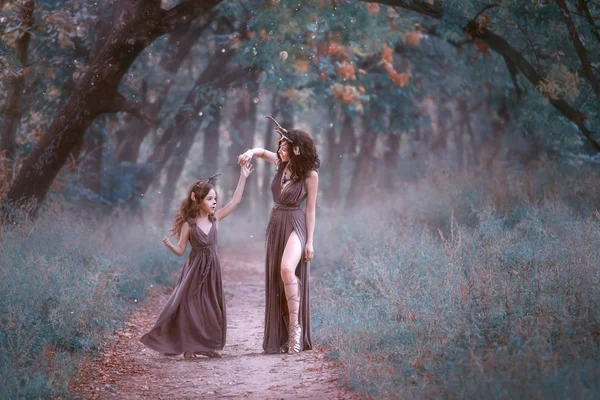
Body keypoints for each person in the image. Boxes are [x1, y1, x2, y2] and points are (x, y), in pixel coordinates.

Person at [140, 163, 254, 358]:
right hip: (194, 269)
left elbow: (235, 202)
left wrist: (243, 177)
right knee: (190, 306)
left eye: (215, 199)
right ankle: (189, 346)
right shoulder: (188, 225)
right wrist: (170, 245)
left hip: (212, 270)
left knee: (210, 306)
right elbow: (181, 250)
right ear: (197, 199)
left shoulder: (215, 218)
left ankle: (205, 345)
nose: (214, 202)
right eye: (210, 199)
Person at [237, 117, 319, 354]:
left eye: (285, 147)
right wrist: (250, 152)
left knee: (286, 269)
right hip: (276, 222)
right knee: (278, 278)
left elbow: (311, 209)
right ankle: (283, 334)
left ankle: (295, 332)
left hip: (296, 221)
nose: (280, 151)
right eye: (280, 147)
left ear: (296, 148)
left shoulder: (310, 175)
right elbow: (262, 152)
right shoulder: (281, 164)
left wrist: (310, 242)